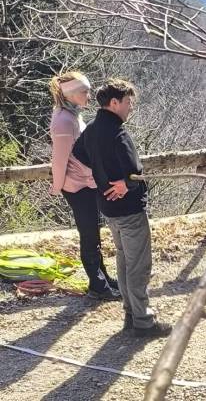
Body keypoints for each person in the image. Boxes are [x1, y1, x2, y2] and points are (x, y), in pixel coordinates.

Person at [73, 79, 171, 338]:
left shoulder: (92, 129)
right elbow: (135, 173)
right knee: (138, 265)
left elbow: (78, 152)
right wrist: (125, 183)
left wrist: (101, 174)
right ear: (114, 103)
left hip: (108, 206)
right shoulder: (118, 132)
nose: (131, 107)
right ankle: (143, 320)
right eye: (128, 102)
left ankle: (130, 313)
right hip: (128, 208)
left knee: (125, 261)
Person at [48, 72, 120, 301]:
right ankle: (97, 285)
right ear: (70, 94)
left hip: (86, 183)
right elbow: (59, 159)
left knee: (93, 232)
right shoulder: (64, 120)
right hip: (76, 186)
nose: (89, 95)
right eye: (84, 91)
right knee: (88, 234)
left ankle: (102, 278)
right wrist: (57, 186)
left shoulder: (71, 115)